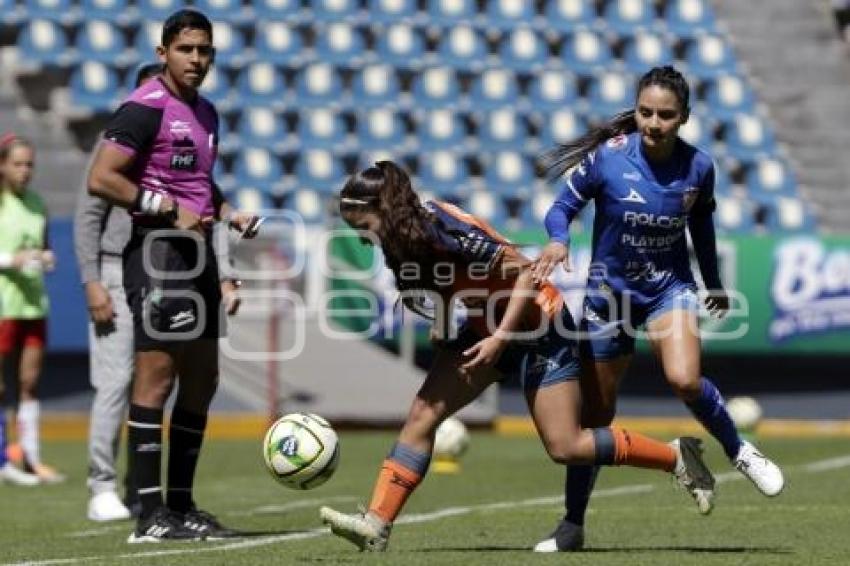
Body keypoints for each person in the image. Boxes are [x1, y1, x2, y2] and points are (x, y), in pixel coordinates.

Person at [319, 160, 716, 552]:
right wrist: (443, 321)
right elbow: (439, 282)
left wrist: (499, 339)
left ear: (383, 211)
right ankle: (377, 523)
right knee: (423, 416)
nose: (362, 239)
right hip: (485, 326)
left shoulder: (445, 229)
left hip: (539, 324)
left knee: (565, 447)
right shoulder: (401, 242)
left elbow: (526, 274)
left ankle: (676, 457)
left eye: (364, 228)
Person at [530, 66, 784, 552]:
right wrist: (558, 241)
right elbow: (560, 208)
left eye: (665, 115)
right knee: (597, 418)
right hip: (610, 296)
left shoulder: (698, 168)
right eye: (645, 111)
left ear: (683, 118)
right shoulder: (609, 158)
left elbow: (702, 230)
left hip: (669, 289)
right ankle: (572, 525)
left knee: (685, 379)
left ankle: (740, 452)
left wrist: (713, 283)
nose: (652, 122)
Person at [87, 9, 258, 542]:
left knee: (203, 378)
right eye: (187, 50)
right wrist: (163, 207)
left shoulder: (206, 112)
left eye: (205, 51)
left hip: (199, 253)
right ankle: (148, 516)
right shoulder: (144, 108)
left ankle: (181, 508)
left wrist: (229, 212)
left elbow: (200, 184)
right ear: (163, 53)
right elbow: (101, 178)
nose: (197, 60)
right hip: (158, 254)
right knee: (155, 380)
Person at [0, 135, 64, 485]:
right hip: (3, 304)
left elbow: (43, 247)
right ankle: (1, 460)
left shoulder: (38, 202)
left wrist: (46, 258)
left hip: (33, 303)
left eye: (29, 165)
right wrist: (12, 260)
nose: (24, 171)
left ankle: (30, 458)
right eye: (17, 164)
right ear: (2, 165)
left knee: (29, 382)